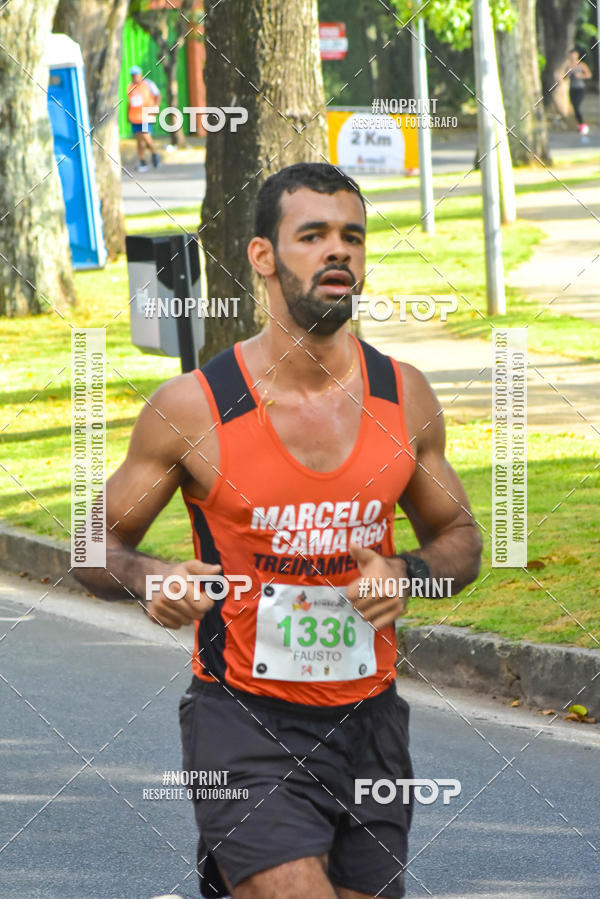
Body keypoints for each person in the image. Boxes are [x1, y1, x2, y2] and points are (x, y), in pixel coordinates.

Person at [76, 162, 482, 898]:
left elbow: (460, 535)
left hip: (371, 725)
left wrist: (407, 573)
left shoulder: (403, 396)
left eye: (352, 237)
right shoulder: (194, 409)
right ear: (263, 256)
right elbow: (91, 541)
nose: (339, 252)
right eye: (314, 236)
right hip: (241, 722)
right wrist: (148, 576)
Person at [127, 65, 161, 171]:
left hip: (146, 115)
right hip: (135, 117)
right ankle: (142, 160)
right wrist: (127, 115)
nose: (134, 77)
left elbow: (158, 95)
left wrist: (155, 107)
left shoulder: (148, 84)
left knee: (146, 137)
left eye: (136, 75)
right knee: (139, 140)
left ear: (140, 75)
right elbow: (130, 103)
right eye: (132, 75)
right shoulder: (130, 87)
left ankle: (154, 153)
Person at [566, 49, 592, 135]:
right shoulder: (568, 66)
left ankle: (582, 125)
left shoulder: (581, 65)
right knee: (574, 108)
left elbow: (589, 75)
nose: (573, 57)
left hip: (580, 88)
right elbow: (565, 77)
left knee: (577, 107)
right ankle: (579, 125)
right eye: (571, 55)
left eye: (574, 55)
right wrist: (568, 75)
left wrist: (580, 76)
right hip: (572, 88)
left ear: (577, 55)